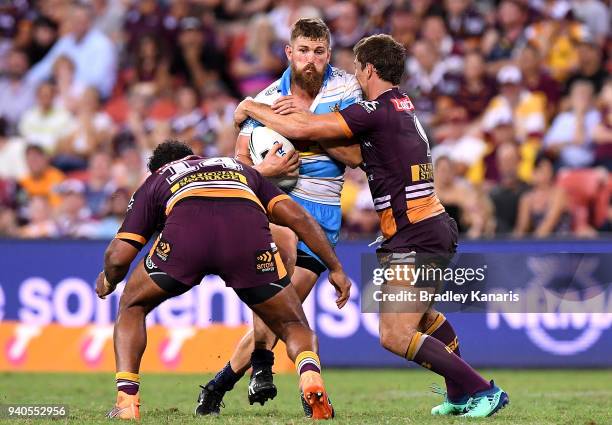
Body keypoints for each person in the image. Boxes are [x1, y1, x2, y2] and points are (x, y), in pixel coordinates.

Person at [234, 34, 509, 418]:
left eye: (358, 68)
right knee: (424, 318)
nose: (355, 76)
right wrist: (316, 133)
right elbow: (347, 151)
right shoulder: (401, 106)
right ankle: (460, 396)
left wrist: (251, 107)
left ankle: (484, 391)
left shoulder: (374, 109)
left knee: (395, 335)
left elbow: (304, 129)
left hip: (416, 232)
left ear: (369, 69)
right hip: (424, 226)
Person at [95, 140, 351, 420]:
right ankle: (309, 376)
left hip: (187, 238)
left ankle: (127, 401)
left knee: (132, 306)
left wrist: (109, 280)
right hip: (247, 240)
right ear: (196, 156)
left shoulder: (159, 178)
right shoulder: (239, 169)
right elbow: (298, 218)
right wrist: (335, 267)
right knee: (293, 324)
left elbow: (119, 256)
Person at [199, 18, 361, 414]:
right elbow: (240, 170)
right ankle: (302, 389)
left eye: (319, 51)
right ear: (289, 52)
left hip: (323, 220)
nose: (311, 60)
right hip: (277, 212)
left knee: (280, 312)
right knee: (283, 309)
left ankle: (221, 385)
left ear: (328, 53)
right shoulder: (268, 98)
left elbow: (356, 157)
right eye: (303, 51)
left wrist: (304, 128)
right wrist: (266, 167)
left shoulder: (347, 89)